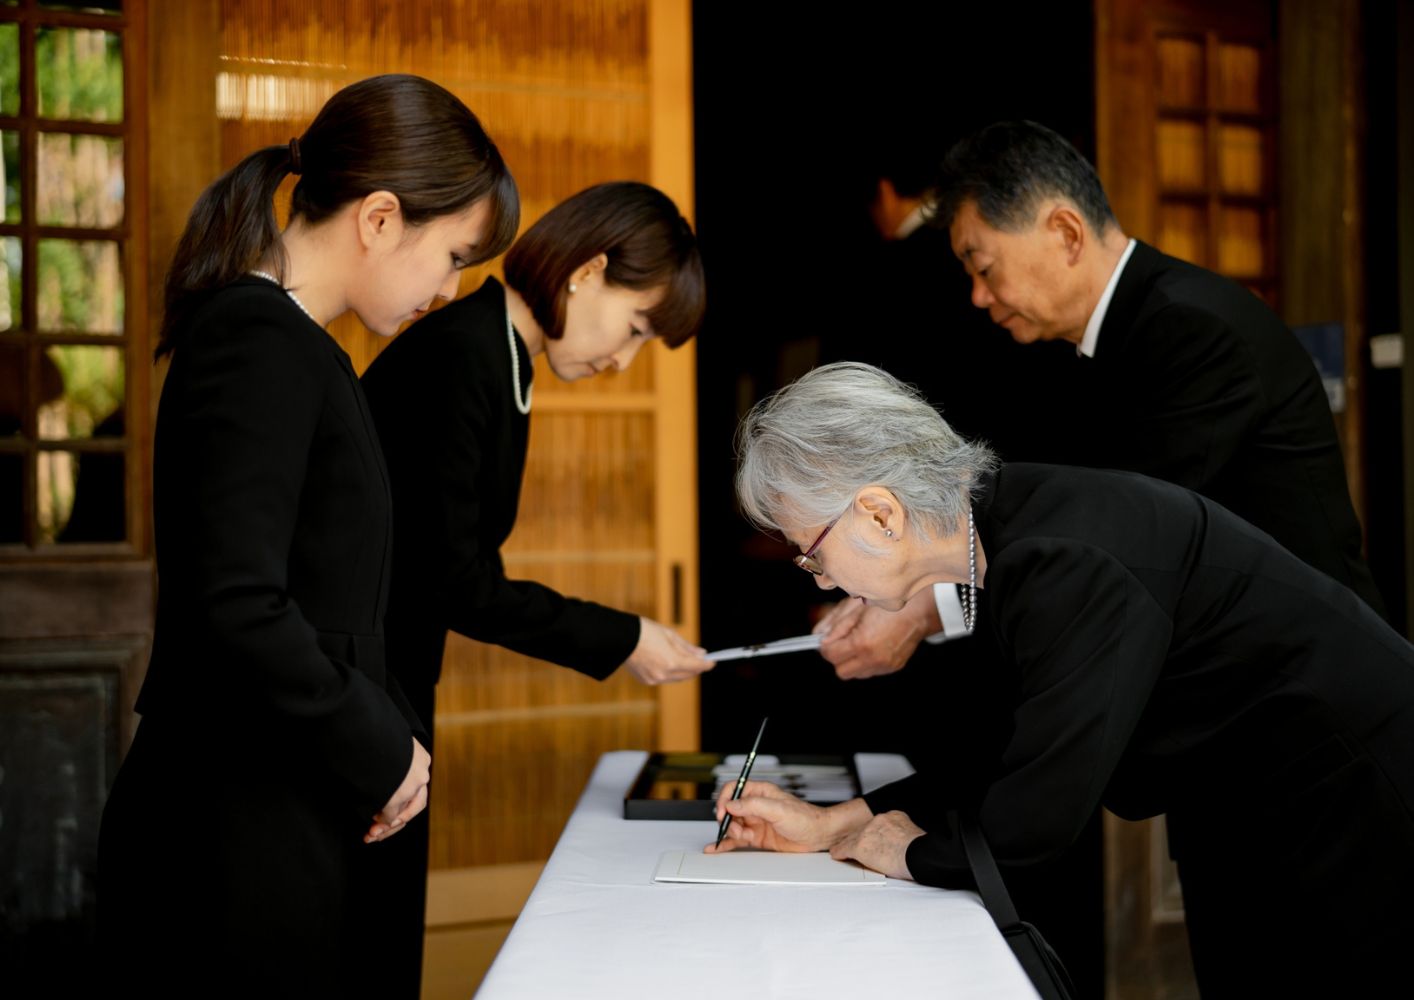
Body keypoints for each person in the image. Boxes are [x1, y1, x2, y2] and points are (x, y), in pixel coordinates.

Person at [717, 362, 1414, 995]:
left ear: (880, 513)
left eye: (811, 553)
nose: (823, 578)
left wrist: (910, 853)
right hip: (1264, 801)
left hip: (1359, 793)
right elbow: (1005, 749)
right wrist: (833, 824)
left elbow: (1033, 821)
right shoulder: (1003, 537)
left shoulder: (1058, 558)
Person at [97, 74, 518, 996]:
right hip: (228, 824)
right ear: (378, 218)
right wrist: (379, 745)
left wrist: (398, 745)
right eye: (452, 256)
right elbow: (235, 604)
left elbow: (339, 603)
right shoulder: (255, 339)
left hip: (279, 803)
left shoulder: (299, 345)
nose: (450, 290)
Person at [817, 119, 1387, 681]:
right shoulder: (1092, 339)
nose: (978, 295)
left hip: (1318, 670)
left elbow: (1117, 529)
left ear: (1066, 232)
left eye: (985, 267)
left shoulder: (1191, 331)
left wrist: (923, 606)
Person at [359, 180, 712, 991]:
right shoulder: (466, 353)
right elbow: (457, 580)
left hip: (394, 676)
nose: (623, 361)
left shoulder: (501, 355)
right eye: (634, 327)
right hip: (363, 687)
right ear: (587, 272)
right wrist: (624, 637)